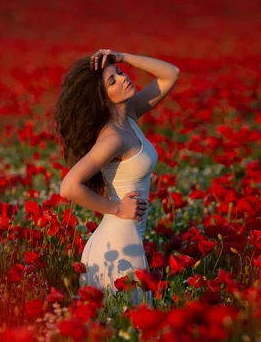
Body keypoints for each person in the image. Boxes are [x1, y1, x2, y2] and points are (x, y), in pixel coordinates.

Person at [53, 48, 179, 306]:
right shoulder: (113, 138)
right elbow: (69, 187)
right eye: (113, 81)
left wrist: (122, 56)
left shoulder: (129, 115)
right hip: (119, 243)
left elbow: (171, 74)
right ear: (103, 98)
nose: (123, 78)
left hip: (129, 237)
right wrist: (117, 207)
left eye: (120, 73)